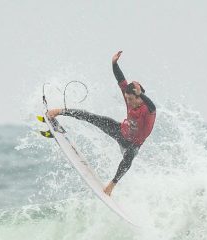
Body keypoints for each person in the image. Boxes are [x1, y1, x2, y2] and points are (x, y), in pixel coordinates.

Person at [47, 50, 156, 196]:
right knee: (92, 117)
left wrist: (141, 94)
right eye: (127, 98)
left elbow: (152, 105)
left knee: (128, 158)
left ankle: (111, 186)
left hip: (133, 144)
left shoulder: (148, 111)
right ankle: (58, 111)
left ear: (138, 97)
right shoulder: (130, 97)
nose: (128, 102)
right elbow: (121, 80)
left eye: (130, 99)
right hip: (121, 131)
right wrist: (114, 63)